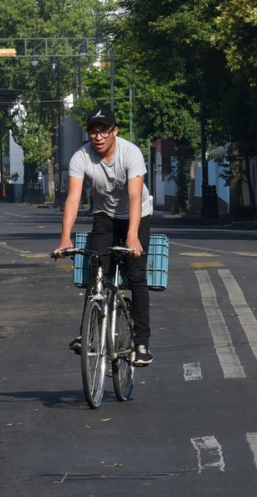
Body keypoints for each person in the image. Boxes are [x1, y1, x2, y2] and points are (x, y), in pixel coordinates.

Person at [55, 106, 155, 367]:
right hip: (105, 216)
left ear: (115, 131)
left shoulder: (130, 153)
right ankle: (88, 334)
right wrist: (65, 237)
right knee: (97, 267)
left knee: (136, 275)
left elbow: (135, 197)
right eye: (92, 132)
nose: (97, 137)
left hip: (137, 215)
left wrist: (132, 236)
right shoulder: (81, 157)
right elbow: (74, 198)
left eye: (103, 131)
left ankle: (141, 344)